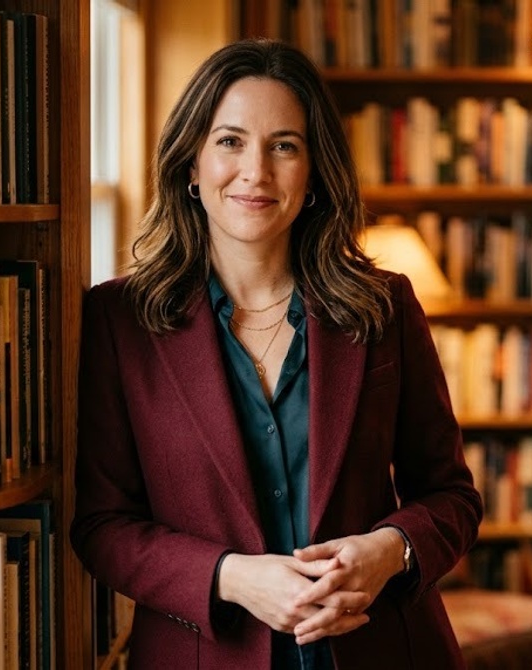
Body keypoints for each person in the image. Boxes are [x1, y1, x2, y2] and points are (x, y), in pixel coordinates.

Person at [70, 38, 482, 670]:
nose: (256, 171)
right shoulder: (118, 320)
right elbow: (103, 526)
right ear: (191, 165)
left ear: (314, 171)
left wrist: (391, 549)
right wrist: (230, 577)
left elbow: (452, 495)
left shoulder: (385, 307)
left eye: (284, 145)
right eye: (230, 141)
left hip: (382, 649)